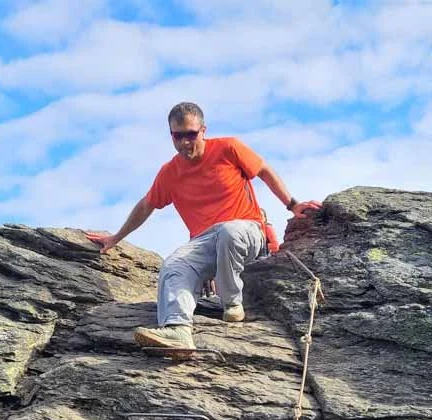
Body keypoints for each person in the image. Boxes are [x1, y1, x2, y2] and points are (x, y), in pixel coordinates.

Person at [87, 102, 321, 351]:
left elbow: (263, 170)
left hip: (247, 231)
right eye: (179, 136)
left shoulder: (228, 148)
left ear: (203, 130)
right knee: (174, 264)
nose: (185, 142)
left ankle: (232, 302)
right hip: (204, 241)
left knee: (228, 232)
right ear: (171, 135)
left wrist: (292, 204)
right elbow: (146, 205)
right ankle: (177, 330)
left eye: (191, 134)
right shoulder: (170, 173)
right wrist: (116, 238)